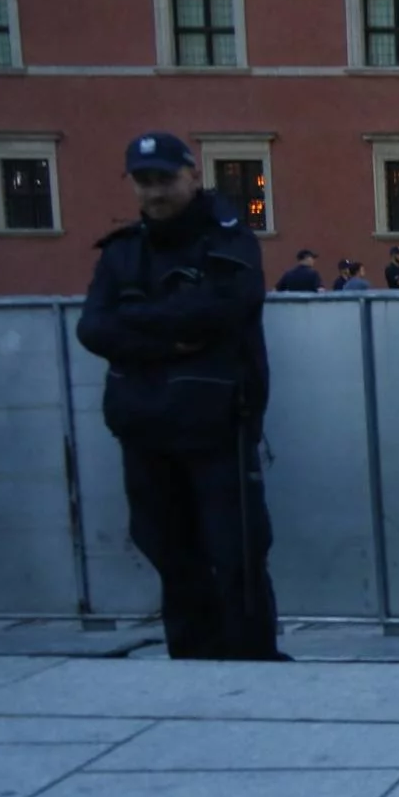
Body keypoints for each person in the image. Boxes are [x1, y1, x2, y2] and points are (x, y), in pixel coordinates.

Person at [74, 132, 278, 660]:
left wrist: (136, 326)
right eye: (145, 181)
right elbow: (93, 329)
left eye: (165, 178)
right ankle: (189, 660)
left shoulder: (227, 239)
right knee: (167, 549)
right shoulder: (122, 252)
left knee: (237, 551)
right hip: (144, 426)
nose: (155, 192)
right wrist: (173, 334)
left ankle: (252, 660)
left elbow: (227, 308)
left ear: (192, 175)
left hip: (217, 426)